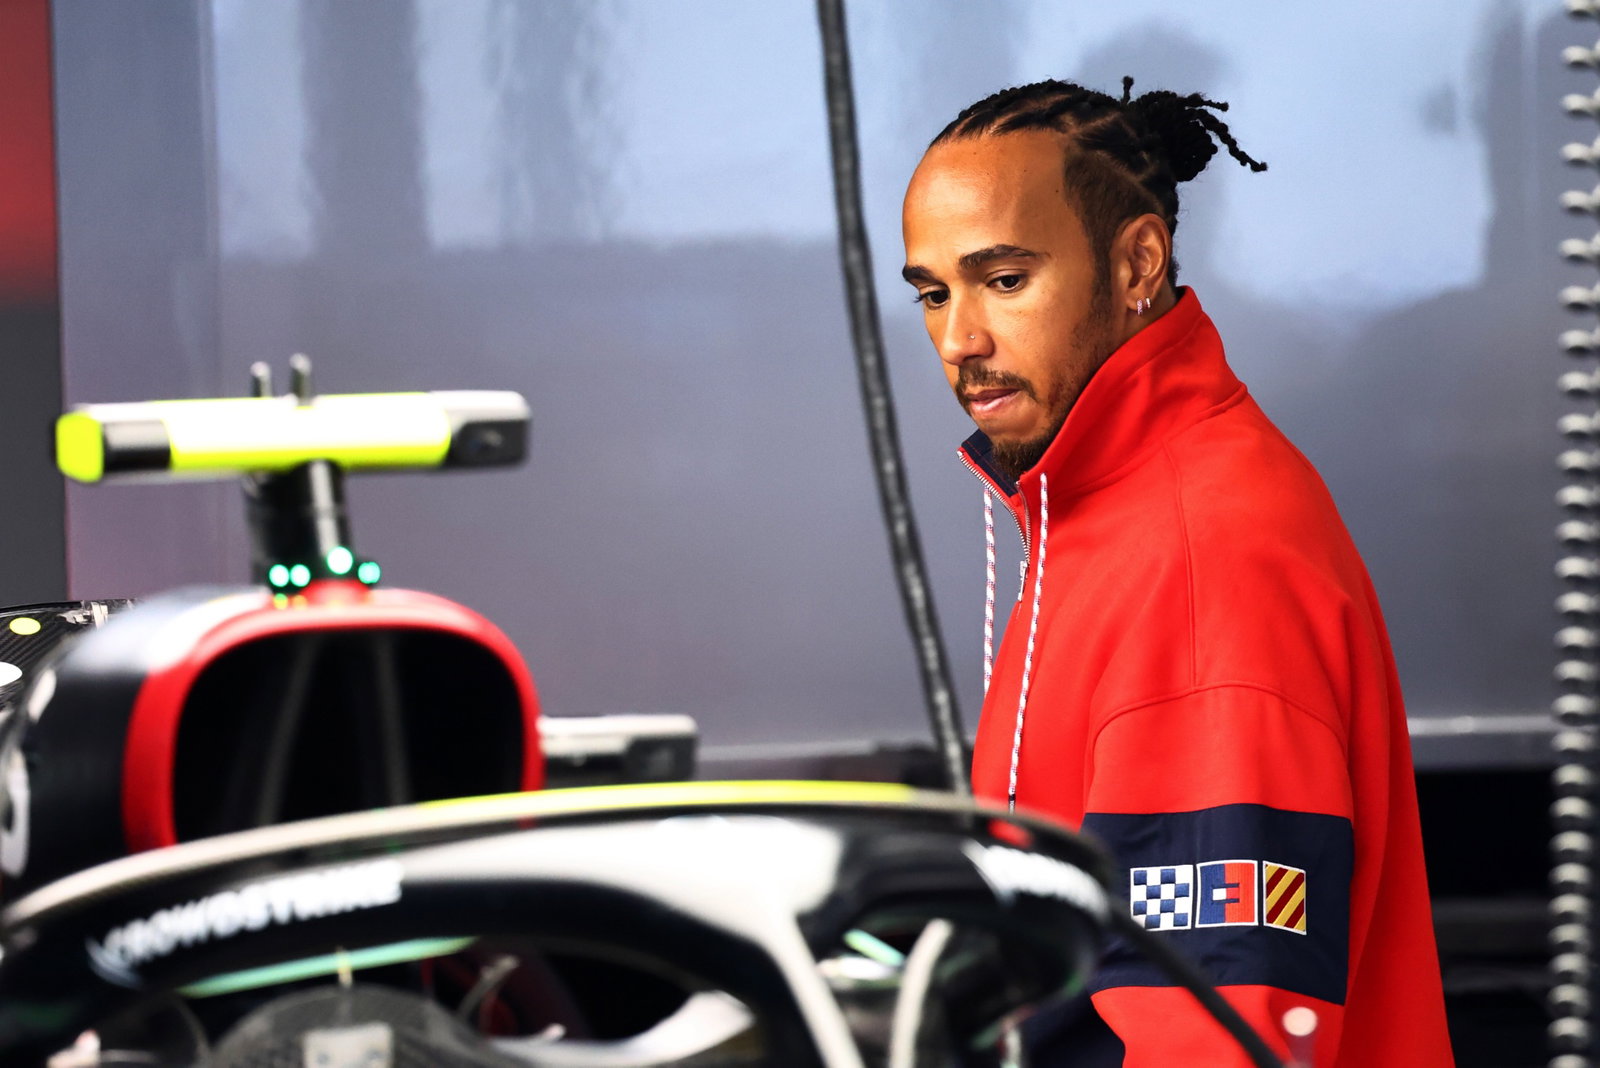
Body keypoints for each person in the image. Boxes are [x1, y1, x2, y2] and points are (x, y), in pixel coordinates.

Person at [900, 78, 1454, 1066]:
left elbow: (1215, 1039)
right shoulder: (1109, 511)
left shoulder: (1201, 572)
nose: (959, 340)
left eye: (1005, 280)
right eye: (935, 293)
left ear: (1136, 264)